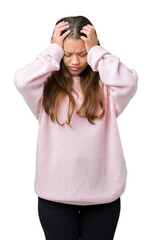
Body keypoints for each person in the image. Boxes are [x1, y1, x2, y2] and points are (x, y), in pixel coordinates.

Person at [13, 15, 138, 240]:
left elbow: (129, 83)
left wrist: (97, 53)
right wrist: (52, 50)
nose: (74, 61)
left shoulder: (106, 86)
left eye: (82, 54)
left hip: (103, 197)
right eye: (67, 54)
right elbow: (22, 81)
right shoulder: (44, 86)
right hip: (55, 197)